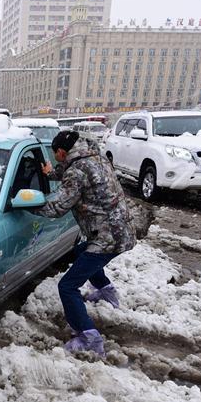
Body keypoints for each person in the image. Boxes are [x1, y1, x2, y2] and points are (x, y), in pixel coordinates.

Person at [36, 130, 135, 358]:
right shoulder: (94, 157)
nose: (55, 159)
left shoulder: (77, 171)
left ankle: (89, 337)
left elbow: (58, 207)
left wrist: (26, 206)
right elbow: (74, 174)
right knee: (81, 251)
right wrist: (52, 174)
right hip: (120, 230)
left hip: (107, 237)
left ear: (62, 152)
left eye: (55, 155)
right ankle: (106, 292)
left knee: (67, 287)